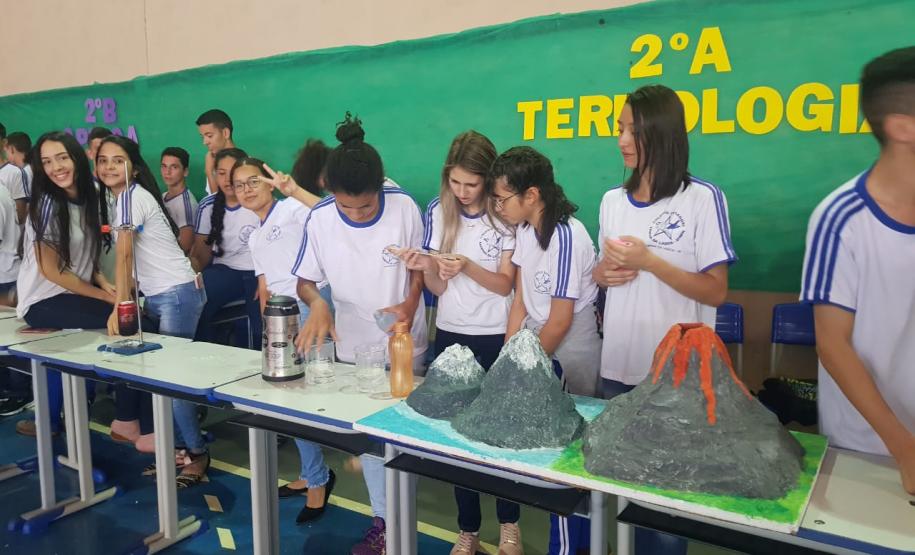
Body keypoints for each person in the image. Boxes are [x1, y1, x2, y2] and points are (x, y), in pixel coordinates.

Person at [593, 84, 735, 553]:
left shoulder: (702, 199)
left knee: (666, 514)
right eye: (619, 129)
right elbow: (599, 273)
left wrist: (651, 262)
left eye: (633, 130)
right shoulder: (612, 201)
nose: (622, 140)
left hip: (677, 379)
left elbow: (715, 290)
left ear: (663, 132)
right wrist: (603, 273)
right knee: (619, 495)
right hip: (618, 369)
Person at [293, 114, 427, 555]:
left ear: (379, 189)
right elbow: (305, 280)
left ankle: (401, 523)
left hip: (401, 343)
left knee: (401, 438)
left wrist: (409, 306)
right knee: (370, 442)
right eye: (345, 207)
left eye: (365, 208)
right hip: (352, 346)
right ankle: (384, 523)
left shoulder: (403, 207)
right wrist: (318, 303)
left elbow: (418, 271)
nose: (354, 214)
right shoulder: (320, 217)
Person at [800, 46, 915, 495]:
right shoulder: (841, 219)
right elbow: (833, 345)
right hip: (868, 449)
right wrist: (905, 450)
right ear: (903, 127)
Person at [402, 131, 521, 555]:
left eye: (472, 184)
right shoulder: (439, 211)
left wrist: (466, 265)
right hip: (451, 334)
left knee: (500, 434)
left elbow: (505, 284)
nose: (463, 191)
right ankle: (468, 528)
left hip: (496, 334)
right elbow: (437, 287)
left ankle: (509, 525)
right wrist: (426, 266)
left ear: (488, 179)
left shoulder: (503, 214)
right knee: (456, 437)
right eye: (455, 182)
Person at [489, 146, 601, 555]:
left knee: (569, 457)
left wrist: (527, 372)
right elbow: (520, 298)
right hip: (539, 339)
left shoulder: (567, 236)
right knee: (547, 452)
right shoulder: (523, 229)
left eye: (502, 198)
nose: (497, 207)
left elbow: (561, 320)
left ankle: (575, 545)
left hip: (571, 347)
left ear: (532, 195)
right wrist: (508, 356)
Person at [97, 135, 209, 486]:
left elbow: (125, 256)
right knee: (162, 381)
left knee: (171, 381)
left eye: (118, 160)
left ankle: (197, 452)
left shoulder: (132, 197)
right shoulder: (124, 199)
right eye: (103, 160)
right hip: (164, 294)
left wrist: (120, 306)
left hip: (176, 294)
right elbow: (130, 261)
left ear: (133, 167)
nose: (109, 167)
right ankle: (179, 449)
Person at [232, 155, 336, 523]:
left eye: (253, 181)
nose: (247, 190)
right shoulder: (255, 235)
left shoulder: (291, 209)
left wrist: (293, 190)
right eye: (239, 185)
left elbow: (328, 210)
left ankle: (319, 479)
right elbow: (264, 285)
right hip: (280, 317)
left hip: (312, 306)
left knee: (303, 396)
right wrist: (269, 329)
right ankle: (312, 472)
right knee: (289, 396)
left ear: (268, 182)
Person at [13, 132, 116, 436]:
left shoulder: (94, 193)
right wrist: (104, 297)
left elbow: (88, 250)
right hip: (43, 300)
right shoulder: (46, 205)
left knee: (121, 323)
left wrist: (103, 281)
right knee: (126, 321)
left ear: (76, 158)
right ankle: (122, 418)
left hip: (75, 293)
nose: (56, 167)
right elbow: (53, 272)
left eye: (61, 158)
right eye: (46, 162)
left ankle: (62, 419)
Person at [189, 147, 261, 348]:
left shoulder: (257, 201)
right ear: (214, 175)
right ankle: (203, 355)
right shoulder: (208, 206)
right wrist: (191, 278)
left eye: (233, 173)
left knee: (262, 326)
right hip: (225, 270)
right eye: (221, 173)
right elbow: (201, 255)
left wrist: (268, 279)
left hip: (259, 272)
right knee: (195, 302)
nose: (227, 180)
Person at [160, 147, 198, 253]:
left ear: (185, 171)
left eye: (174, 167)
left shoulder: (186, 204)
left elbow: (185, 245)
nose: (167, 172)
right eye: (164, 166)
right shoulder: (163, 196)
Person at [196, 109, 236, 195]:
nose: (205, 142)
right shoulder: (212, 162)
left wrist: (209, 172)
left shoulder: (246, 165)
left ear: (225, 133)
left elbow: (222, 201)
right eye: (202, 137)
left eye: (209, 136)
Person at [4, 131, 33, 202]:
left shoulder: (23, 173)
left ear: (12, 149)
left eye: (5, 151)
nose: (5, 156)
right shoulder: (30, 168)